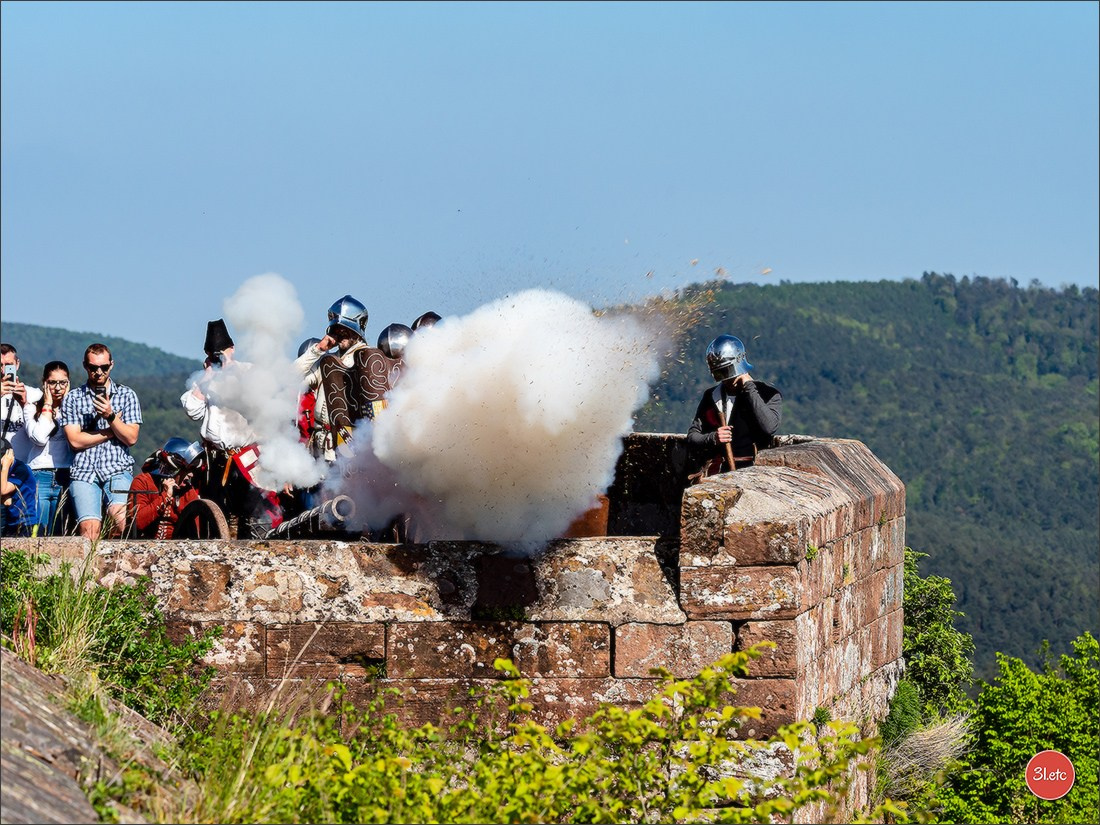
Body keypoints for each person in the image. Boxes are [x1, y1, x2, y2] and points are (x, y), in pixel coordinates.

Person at [181, 319, 275, 538]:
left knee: (252, 513)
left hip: (246, 457)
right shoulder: (205, 380)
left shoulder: (249, 372)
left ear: (232, 349)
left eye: (222, 351)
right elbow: (192, 410)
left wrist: (232, 370)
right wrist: (207, 378)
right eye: (213, 353)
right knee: (217, 515)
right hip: (216, 459)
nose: (218, 357)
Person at [294, 295, 398, 462]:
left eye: (345, 329)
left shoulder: (370, 361)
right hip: (319, 451)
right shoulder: (325, 362)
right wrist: (318, 349)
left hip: (351, 449)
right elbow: (290, 377)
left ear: (357, 328)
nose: (340, 333)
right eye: (337, 329)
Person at [59, 343, 142, 539]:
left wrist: (110, 416)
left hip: (117, 467)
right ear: (85, 366)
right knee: (89, 530)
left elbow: (131, 437)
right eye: (93, 367)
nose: (98, 372)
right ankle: (91, 560)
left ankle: (115, 557)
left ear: (111, 365)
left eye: (103, 367)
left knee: (121, 521)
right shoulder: (73, 398)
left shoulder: (127, 395)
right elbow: (75, 441)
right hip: (84, 470)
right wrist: (112, 431)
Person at [686, 335, 782, 479]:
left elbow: (769, 427)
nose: (725, 379)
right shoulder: (711, 396)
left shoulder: (768, 394)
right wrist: (713, 438)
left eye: (726, 371)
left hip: (755, 475)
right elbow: (693, 437)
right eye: (719, 373)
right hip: (716, 476)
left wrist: (749, 387)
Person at [24, 361, 75, 535]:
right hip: (40, 474)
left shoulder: (74, 409)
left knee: (61, 532)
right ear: (44, 383)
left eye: (63, 382)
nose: (58, 388)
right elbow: (39, 438)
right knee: (37, 531)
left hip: (66, 474)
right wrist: (47, 406)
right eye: (53, 382)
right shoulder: (31, 408)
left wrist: (67, 404)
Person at [127, 438, 202, 539]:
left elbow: (196, 533)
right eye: (187, 470)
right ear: (173, 469)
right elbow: (138, 522)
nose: (191, 475)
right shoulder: (142, 482)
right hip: (141, 544)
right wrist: (165, 496)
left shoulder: (188, 491)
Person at [1, 343, 44, 461]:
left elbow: (42, 433)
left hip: (23, 465)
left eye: (8, 366)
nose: (3, 371)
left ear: (17, 364)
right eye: (0, 365)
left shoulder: (35, 394)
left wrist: (25, 403)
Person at [1, 437, 38, 537]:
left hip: (26, 522)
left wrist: (5, 466)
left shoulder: (21, 468)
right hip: (10, 522)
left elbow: (3, 490)